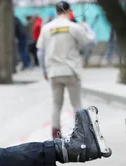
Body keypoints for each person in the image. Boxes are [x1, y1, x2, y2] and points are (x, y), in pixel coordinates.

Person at [37, 1, 95, 139]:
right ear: (69, 11)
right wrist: (87, 28)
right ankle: (82, 133)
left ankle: (56, 135)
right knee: (76, 103)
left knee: (57, 103)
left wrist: (44, 71)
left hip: (54, 72)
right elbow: (90, 42)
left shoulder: (46, 28)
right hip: (71, 71)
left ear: (56, 12)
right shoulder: (74, 27)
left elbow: (40, 52)